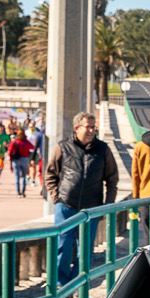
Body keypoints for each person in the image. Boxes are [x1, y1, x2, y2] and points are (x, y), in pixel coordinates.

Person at [45, 111, 119, 283]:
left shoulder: (103, 149)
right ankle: (62, 284)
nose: (92, 131)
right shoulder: (63, 147)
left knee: (85, 250)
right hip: (65, 206)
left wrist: (107, 205)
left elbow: (112, 179)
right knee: (62, 246)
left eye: (94, 127)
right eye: (88, 127)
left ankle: (79, 283)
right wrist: (57, 198)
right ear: (77, 128)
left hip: (91, 208)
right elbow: (50, 174)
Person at [8, 129, 36, 197]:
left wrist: (10, 160)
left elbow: (10, 151)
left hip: (16, 160)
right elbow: (32, 147)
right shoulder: (26, 142)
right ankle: (23, 192)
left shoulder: (15, 142)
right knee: (23, 176)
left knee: (17, 177)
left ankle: (18, 192)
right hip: (25, 159)